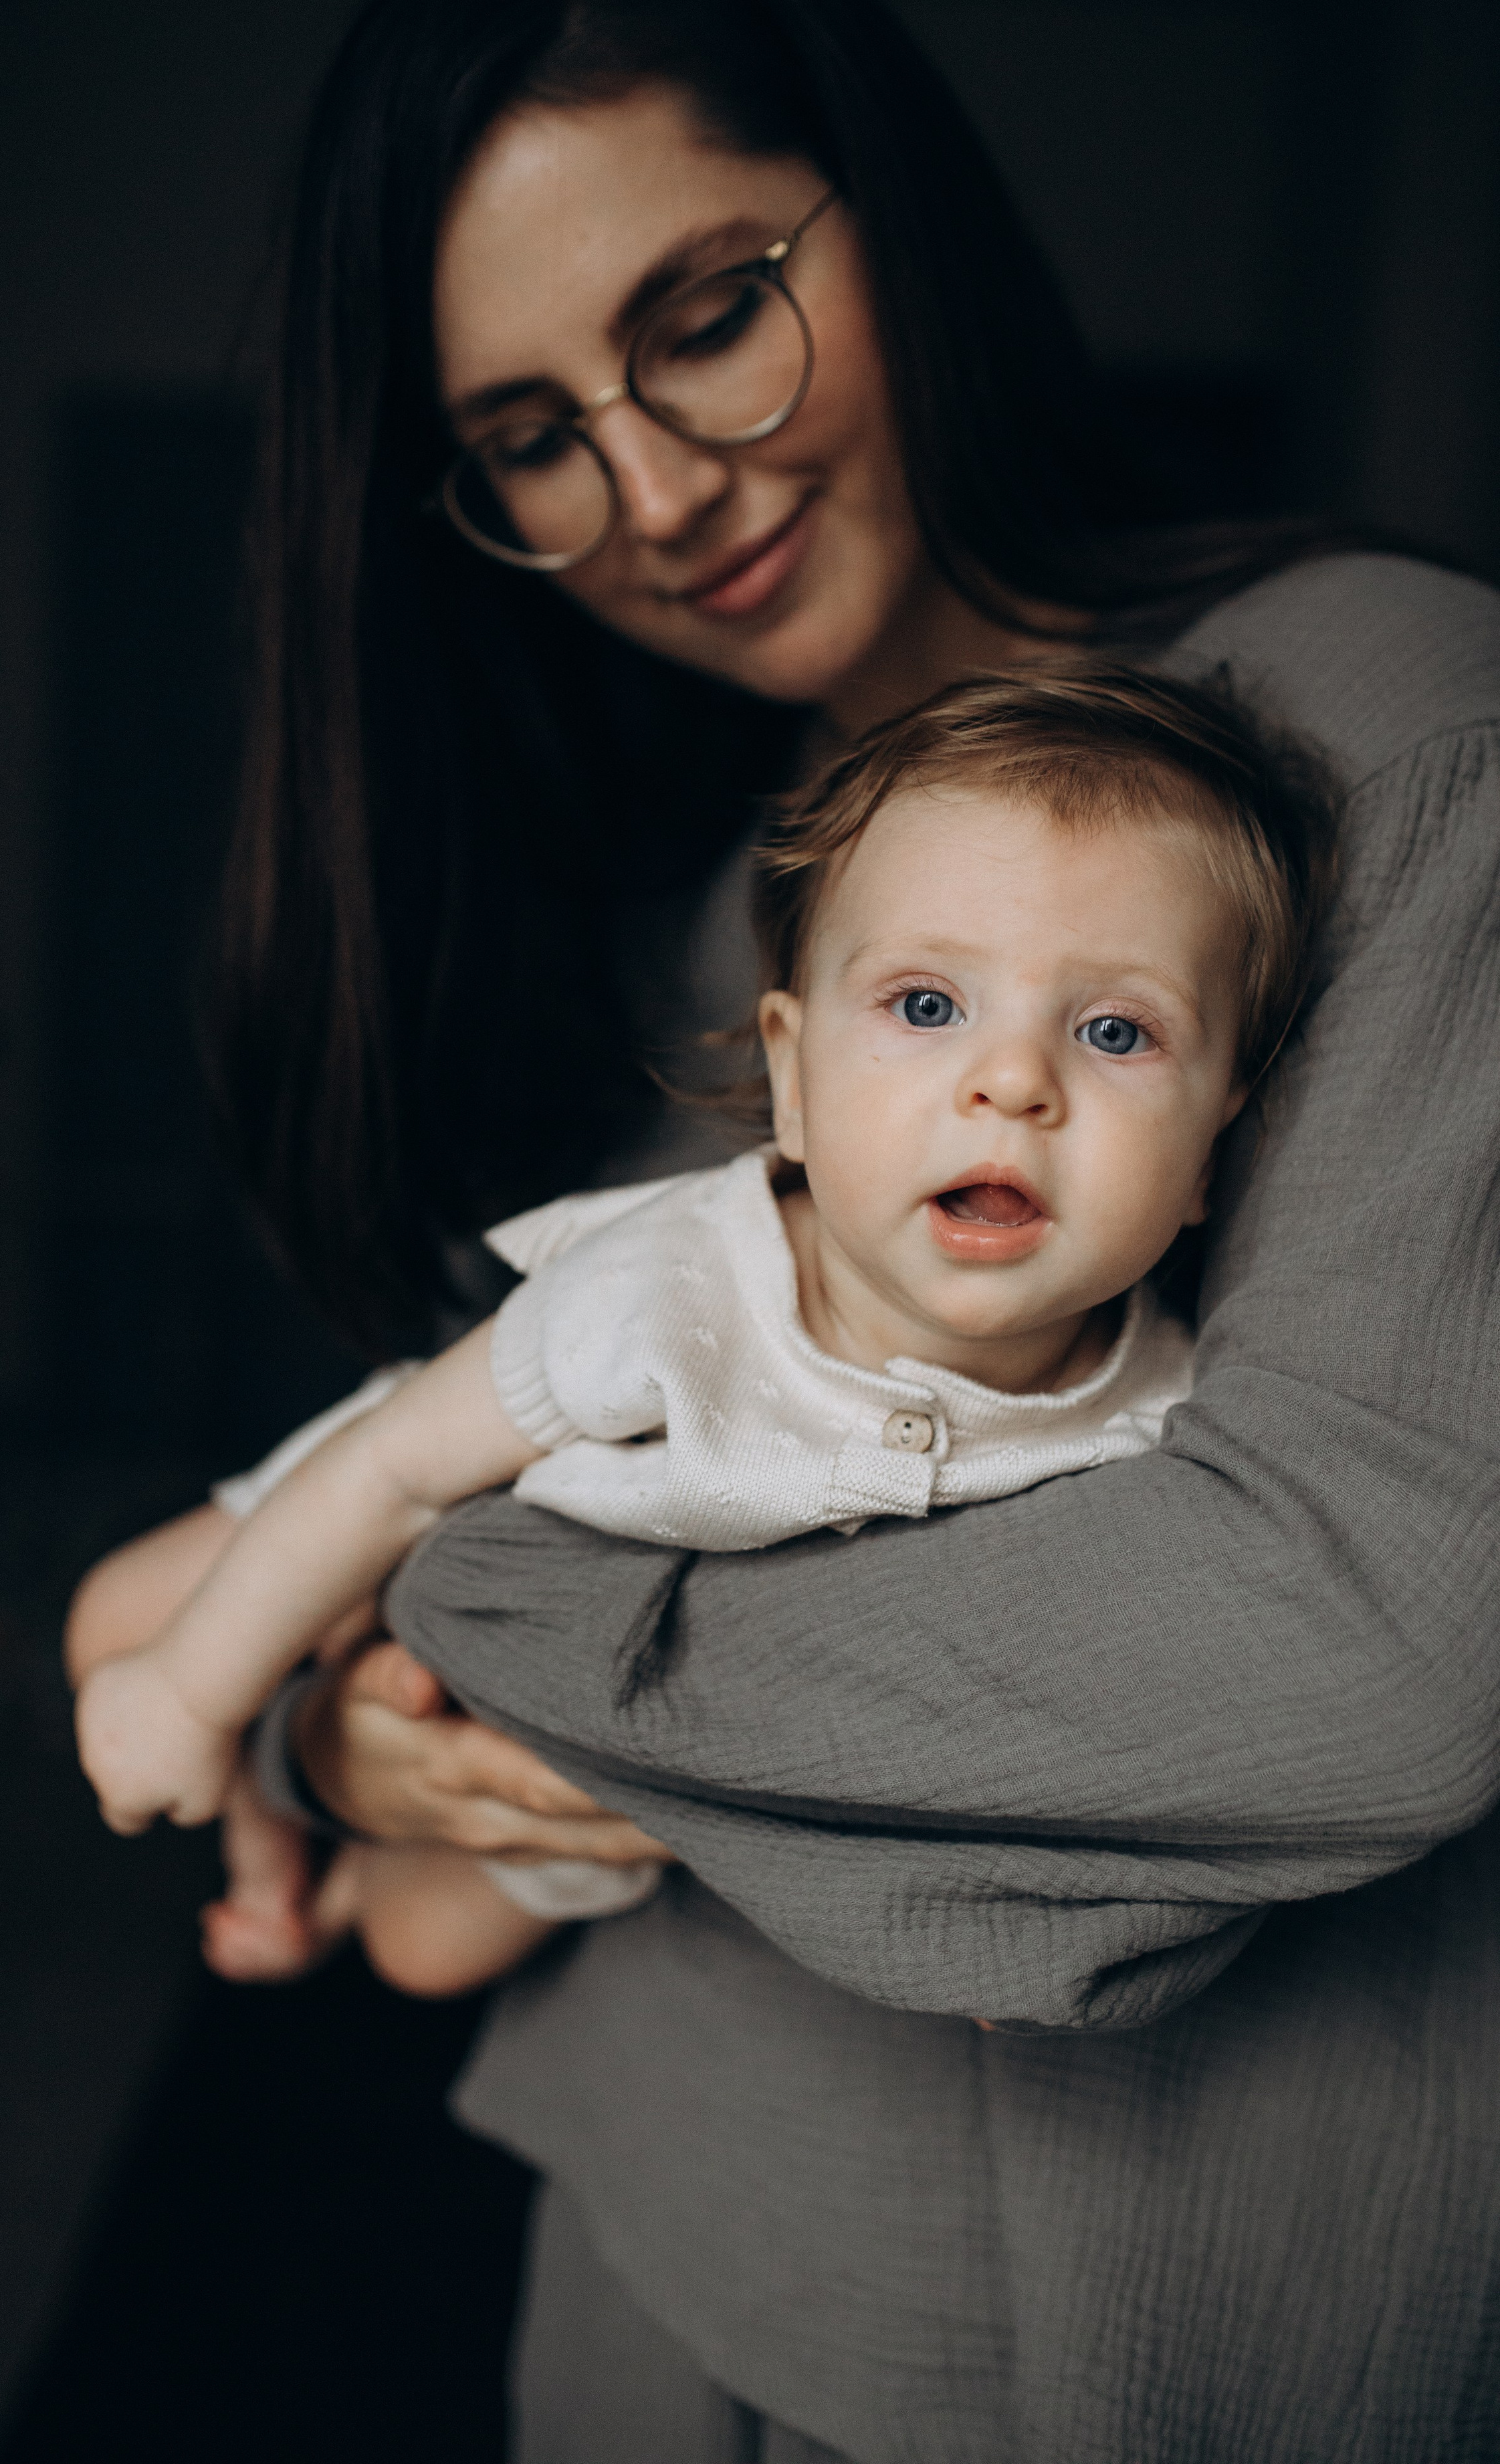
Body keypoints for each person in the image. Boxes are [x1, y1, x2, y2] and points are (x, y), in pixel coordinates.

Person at [67, 0, 1500, 2456]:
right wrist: (337, 1752)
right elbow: (415, 1528)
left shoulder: (1394, 726)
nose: (651, 488)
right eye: (524, 437)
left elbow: (1367, 1637)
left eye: (705, 313)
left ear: (884, 206)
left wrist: (516, 1634)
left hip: (1151, 2317)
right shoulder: (705, 918)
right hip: (647, 2228)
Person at [71, 662, 1333, 2000]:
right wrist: (198, 1694)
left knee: (420, 1953)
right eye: (925, 1006)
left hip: (617, 1686)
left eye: (1112, 1030)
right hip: (455, 1467)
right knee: (126, 1638)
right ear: (789, 1079)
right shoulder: (669, 1288)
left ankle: (326, 1873)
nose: (1011, 1080)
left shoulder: (1161, 1428)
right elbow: (394, 1471)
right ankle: (264, 1851)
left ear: (1210, 1150)